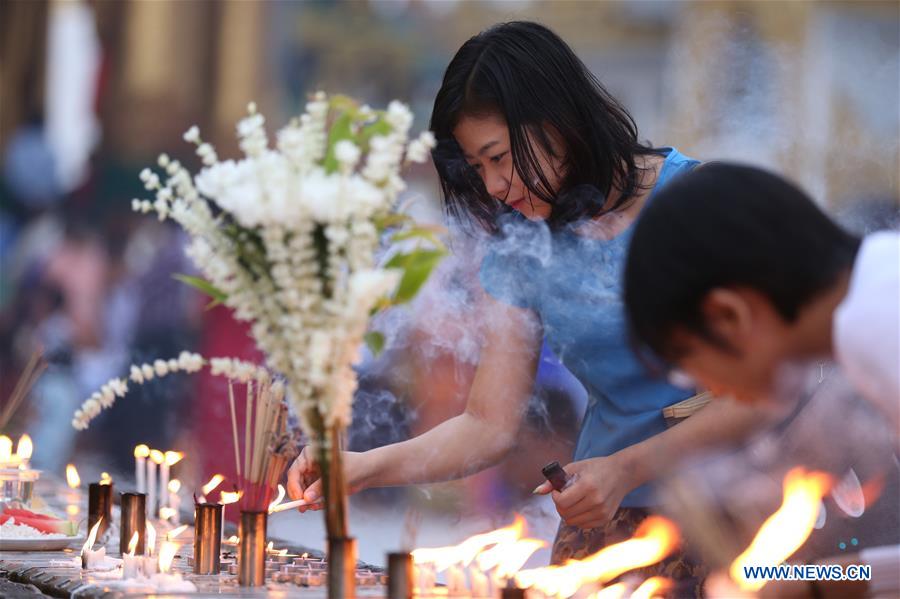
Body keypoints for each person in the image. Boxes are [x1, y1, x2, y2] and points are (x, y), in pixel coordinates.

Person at [288, 21, 763, 581]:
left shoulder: (697, 202)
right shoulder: (522, 248)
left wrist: (626, 467)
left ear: (557, 121)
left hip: (744, 509)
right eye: (476, 168)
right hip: (608, 520)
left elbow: (772, 390)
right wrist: (362, 467)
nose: (492, 186)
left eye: (499, 157)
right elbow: (488, 424)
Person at [622, 162, 900, 598]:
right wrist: (811, 584)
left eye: (687, 361)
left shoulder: (883, 329)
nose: (708, 388)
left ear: (729, 314)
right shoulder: (874, 299)